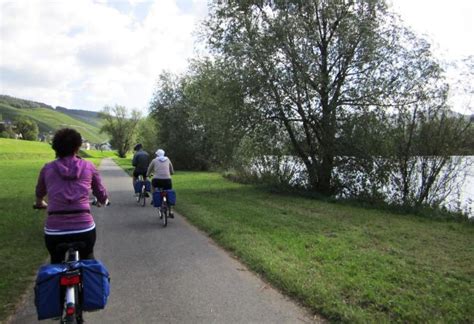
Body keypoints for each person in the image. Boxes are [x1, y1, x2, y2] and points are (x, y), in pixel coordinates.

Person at [34, 128, 108, 264]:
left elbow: (39, 192)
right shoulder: (88, 166)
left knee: (55, 263)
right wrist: (103, 200)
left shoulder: (47, 168)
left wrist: (40, 203)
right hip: (84, 228)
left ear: (55, 147)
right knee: (88, 261)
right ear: (78, 146)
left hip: (55, 230)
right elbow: (99, 191)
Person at [147, 149, 174, 216]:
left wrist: (147, 175)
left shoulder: (154, 160)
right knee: (168, 192)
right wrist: (170, 173)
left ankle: (154, 198)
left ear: (157, 155)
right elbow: (172, 171)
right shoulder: (168, 159)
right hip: (167, 180)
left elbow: (149, 169)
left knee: (152, 186)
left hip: (157, 180)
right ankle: (170, 211)